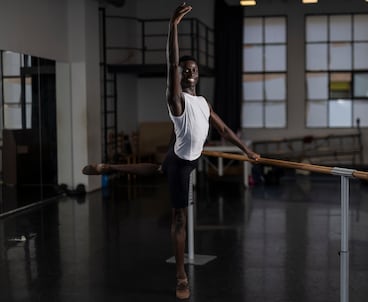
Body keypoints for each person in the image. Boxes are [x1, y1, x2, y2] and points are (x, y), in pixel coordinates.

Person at [83, 2, 260, 299]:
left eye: (194, 70)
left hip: (187, 156)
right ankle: (181, 275)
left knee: (158, 168)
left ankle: (109, 167)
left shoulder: (203, 103)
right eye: (185, 69)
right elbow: (170, 63)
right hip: (183, 162)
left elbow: (224, 130)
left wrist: (246, 151)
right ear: (179, 75)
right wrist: (173, 27)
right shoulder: (175, 98)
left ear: (198, 76)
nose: (190, 72)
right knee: (179, 217)